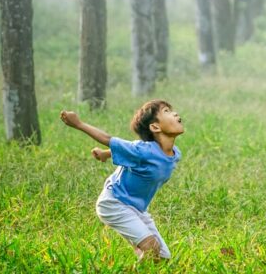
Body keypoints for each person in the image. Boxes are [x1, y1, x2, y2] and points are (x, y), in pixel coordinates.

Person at [60, 100, 184, 259]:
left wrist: (105, 154)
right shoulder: (143, 150)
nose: (174, 113)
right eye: (167, 111)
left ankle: (141, 253)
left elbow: (130, 151)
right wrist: (78, 124)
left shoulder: (175, 153)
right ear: (155, 127)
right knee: (151, 249)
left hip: (137, 209)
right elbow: (109, 139)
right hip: (114, 203)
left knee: (162, 257)